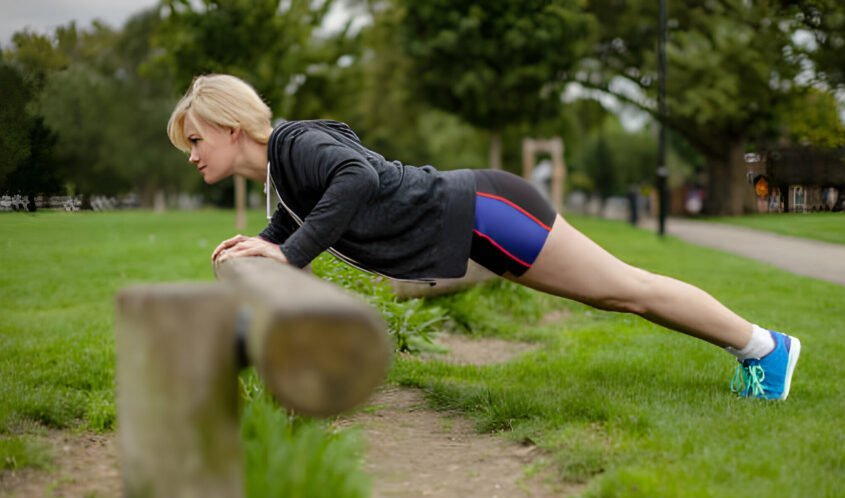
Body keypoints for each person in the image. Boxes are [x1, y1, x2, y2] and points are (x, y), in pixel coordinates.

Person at [167, 74, 800, 400]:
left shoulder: (296, 144)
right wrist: (266, 241)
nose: (191, 155)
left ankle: (764, 348)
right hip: (477, 222)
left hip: (489, 208)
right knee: (615, 296)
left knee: (625, 289)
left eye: (195, 140)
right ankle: (754, 351)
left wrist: (288, 252)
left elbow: (355, 176)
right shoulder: (288, 164)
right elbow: (306, 210)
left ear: (228, 126)